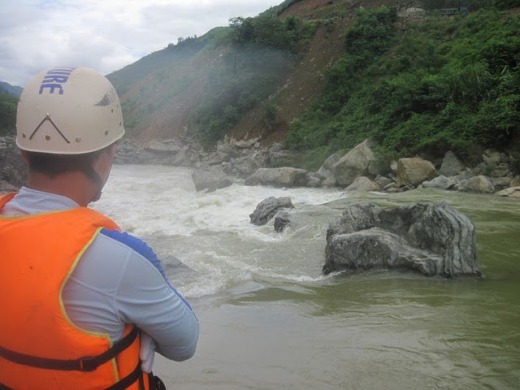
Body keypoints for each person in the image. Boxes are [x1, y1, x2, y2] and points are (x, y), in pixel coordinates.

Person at [0, 66, 199, 389]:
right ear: (106, 156)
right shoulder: (120, 256)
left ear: (22, 153)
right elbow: (184, 344)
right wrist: (139, 329)